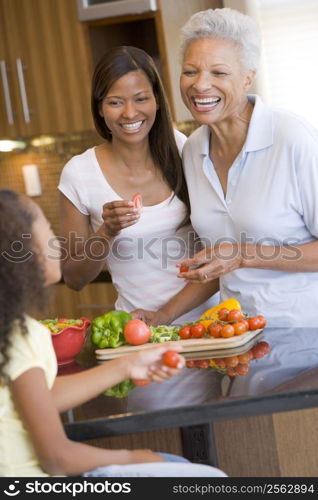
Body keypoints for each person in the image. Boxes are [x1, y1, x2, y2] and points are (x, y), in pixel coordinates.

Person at [0, 189, 228, 478]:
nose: (56, 242)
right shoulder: (19, 335)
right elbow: (58, 459)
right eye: (46, 229)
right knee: (211, 479)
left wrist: (128, 365)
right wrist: (134, 456)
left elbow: (40, 397)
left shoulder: (12, 331)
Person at [58, 46, 221, 411]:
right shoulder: (79, 173)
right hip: (142, 343)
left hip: (211, 333)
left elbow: (219, 251)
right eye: (115, 102)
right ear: (99, 107)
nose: (130, 113)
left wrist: (166, 315)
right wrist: (107, 233)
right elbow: (74, 278)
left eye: (141, 99)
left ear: (158, 101)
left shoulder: (187, 151)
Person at [136, 7, 318, 330]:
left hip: (306, 338)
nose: (200, 85)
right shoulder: (192, 150)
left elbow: (235, 254)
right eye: (190, 71)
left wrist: (244, 254)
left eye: (218, 73)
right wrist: (162, 316)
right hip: (239, 338)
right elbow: (220, 260)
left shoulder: (292, 138)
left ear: (248, 77)